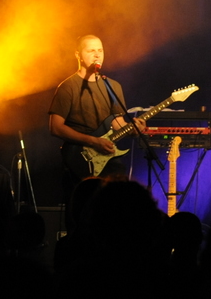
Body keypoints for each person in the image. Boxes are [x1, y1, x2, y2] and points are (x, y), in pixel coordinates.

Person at [48, 35, 145, 203]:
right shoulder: (68, 87)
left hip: (108, 156)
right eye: (91, 50)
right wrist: (93, 141)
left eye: (100, 50)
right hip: (80, 158)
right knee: (83, 205)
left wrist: (133, 130)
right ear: (78, 55)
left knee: (117, 202)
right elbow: (55, 127)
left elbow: (116, 122)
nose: (97, 54)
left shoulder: (112, 86)